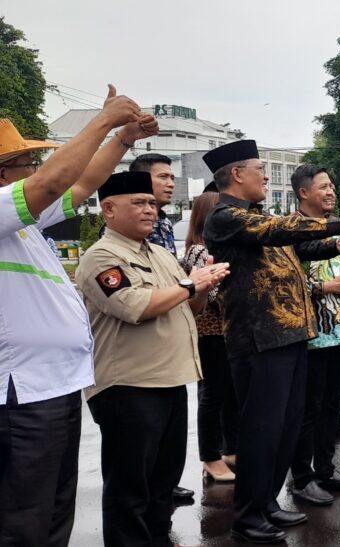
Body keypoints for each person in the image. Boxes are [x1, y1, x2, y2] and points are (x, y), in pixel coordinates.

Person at [202, 140, 340, 544]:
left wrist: (336, 243)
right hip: (259, 338)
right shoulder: (225, 217)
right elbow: (280, 230)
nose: (266, 176)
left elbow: (298, 248)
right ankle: (247, 515)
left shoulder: (256, 217)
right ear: (236, 175)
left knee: (286, 425)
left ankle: (266, 502)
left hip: (293, 334)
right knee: (262, 429)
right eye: (259, 169)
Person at [0, 86, 152, 547]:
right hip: (21, 394)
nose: (37, 170)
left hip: (56, 386)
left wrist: (122, 139)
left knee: (53, 511)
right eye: (28, 164)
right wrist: (102, 121)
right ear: (5, 174)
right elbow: (51, 182)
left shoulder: (22, 223)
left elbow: (80, 184)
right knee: (22, 518)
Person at [78, 171, 228, 546]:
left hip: (170, 381)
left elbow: (186, 308)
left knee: (162, 484)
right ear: (108, 209)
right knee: (130, 488)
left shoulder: (160, 253)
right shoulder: (102, 257)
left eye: (152, 204)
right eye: (139, 203)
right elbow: (134, 306)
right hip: (128, 386)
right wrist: (190, 283)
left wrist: (203, 286)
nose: (151, 211)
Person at [288, 165, 340, 506]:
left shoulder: (336, 229)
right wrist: (322, 287)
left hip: (338, 331)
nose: (331, 191)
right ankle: (302, 479)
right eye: (323, 186)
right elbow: (287, 282)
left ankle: (326, 469)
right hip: (311, 336)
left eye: (332, 185)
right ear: (304, 193)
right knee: (309, 409)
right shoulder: (290, 230)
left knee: (331, 406)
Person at [182, 191, 238, 483]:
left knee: (229, 393)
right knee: (212, 395)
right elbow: (208, 291)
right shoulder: (198, 250)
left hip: (226, 331)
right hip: (209, 331)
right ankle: (211, 457)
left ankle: (229, 450)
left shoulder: (217, 245)